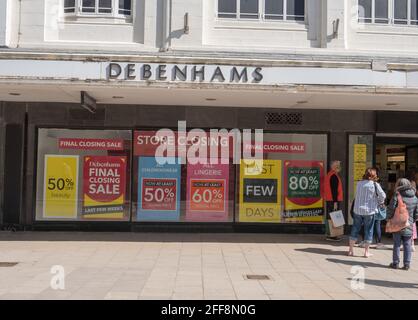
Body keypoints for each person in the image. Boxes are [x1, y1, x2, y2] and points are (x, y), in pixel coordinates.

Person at [348, 168, 386, 258]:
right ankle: (366, 252)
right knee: (369, 230)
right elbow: (383, 196)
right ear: (374, 175)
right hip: (369, 211)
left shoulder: (359, 183)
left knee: (355, 229)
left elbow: (357, 195)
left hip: (358, 210)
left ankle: (350, 250)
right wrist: (379, 201)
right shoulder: (375, 184)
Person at [387, 178, 418, 270]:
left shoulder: (397, 195)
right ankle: (407, 264)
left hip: (397, 223)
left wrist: (388, 217)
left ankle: (395, 263)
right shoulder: (415, 197)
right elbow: (416, 213)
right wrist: (413, 220)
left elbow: (391, 208)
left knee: (396, 243)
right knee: (407, 244)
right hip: (409, 223)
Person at [324, 160, 344, 241]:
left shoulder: (330, 175)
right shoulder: (333, 176)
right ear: (334, 167)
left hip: (330, 199)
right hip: (333, 200)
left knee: (331, 217)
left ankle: (331, 234)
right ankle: (334, 235)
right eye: (338, 166)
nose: (339, 167)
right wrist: (335, 202)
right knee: (334, 217)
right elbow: (334, 190)